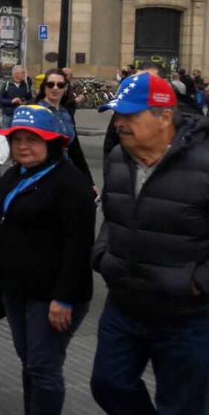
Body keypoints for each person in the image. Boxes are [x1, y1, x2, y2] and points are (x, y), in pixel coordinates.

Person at [89, 73, 209, 415]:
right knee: (108, 383)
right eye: (118, 115)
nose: (121, 124)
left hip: (186, 315)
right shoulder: (117, 160)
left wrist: (197, 283)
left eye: (131, 115)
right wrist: (104, 257)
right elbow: (112, 217)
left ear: (165, 117)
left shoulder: (204, 161)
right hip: (126, 303)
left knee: (182, 404)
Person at [0, 105, 95, 415]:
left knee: (43, 367)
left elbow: (79, 247)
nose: (23, 146)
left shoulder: (71, 184)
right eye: (17, 139)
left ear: (53, 142)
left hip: (52, 296)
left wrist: (64, 299)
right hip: (16, 290)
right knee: (30, 362)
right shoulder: (14, 175)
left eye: (33, 139)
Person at [32, 68, 93, 184]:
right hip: (42, 174)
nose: (55, 88)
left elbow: (75, 149)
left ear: (65, 89)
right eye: (50, 84)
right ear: (44, 87)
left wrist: (89, 182)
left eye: (60, 85)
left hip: (65, 171)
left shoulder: (65, 113)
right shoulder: (36, 111)